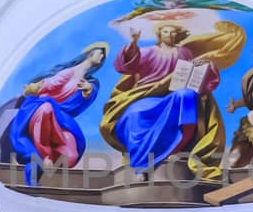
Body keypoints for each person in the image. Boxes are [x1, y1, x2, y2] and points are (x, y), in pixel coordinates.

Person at [100, 21, 245, 181]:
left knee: (187, 96)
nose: (170, 35)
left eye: (173, 32)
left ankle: (177, 150)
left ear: (178, 35)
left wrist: (204, 65)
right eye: (166, 32)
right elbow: (125, 66)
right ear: (160, 35)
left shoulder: (185, 53)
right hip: (147, 96)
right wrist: (134, 42)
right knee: (136, 114)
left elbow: (201, 76)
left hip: (174, 96)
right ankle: (141, 165)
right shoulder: (148, 52)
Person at [0, 43, 108, 185]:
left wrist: (89, 89)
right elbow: (51, 84)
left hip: (60, 119)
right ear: (90, 54)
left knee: (71, 153)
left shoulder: (91, 82)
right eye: (99, 53)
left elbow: (88, 95)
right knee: (47, 108)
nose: (101, 57)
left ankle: (47, 172)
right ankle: (44, 157)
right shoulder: (69, 72)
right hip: (38, 108)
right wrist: (35, 87)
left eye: (103, 56)